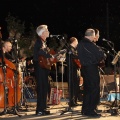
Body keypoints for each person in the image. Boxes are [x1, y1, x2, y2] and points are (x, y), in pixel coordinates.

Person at [77, 28, 105, 117]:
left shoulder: (80, 43)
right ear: (92, 36)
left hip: (84, 68)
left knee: (87, 90)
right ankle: (91, 110)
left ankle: (85, 109)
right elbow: (101, 54)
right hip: (92, 68)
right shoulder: (90, 44)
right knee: (94, 89)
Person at [33, 25, 54, 116]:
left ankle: (43, 108)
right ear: (42, 33)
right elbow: (40, 52)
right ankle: (40, 110)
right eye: (46, 30)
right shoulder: (39, 41)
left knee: (45, 87)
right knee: (41, 88)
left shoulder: (43, 42)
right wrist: (50, 56)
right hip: (40, 68)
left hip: (43, 68)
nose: (48, 31)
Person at [66, 37, 80, 107]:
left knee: (76, 86)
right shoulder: (70, 48)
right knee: (72, 86)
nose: (77, 43)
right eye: (77, 41)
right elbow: (74, 56)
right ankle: (72, 102)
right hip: (71, 70)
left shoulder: (74, 49)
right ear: (74, 41)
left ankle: (75, 100)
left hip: (75, 69)